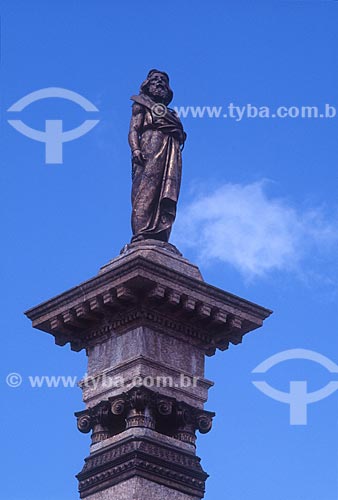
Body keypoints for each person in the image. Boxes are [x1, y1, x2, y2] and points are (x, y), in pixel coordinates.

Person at [128, 69, 186, 243]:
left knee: (166, 190)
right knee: (146, 188)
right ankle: (141, 232)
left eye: (163, 81)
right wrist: (135, 149)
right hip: (149, 146)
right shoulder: (141, 104)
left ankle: (160, 233)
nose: (159, 82)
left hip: (170, 151)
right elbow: (133, 130)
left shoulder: (172, 114)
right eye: (155, 80)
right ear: (147, 84)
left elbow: (180, 134)